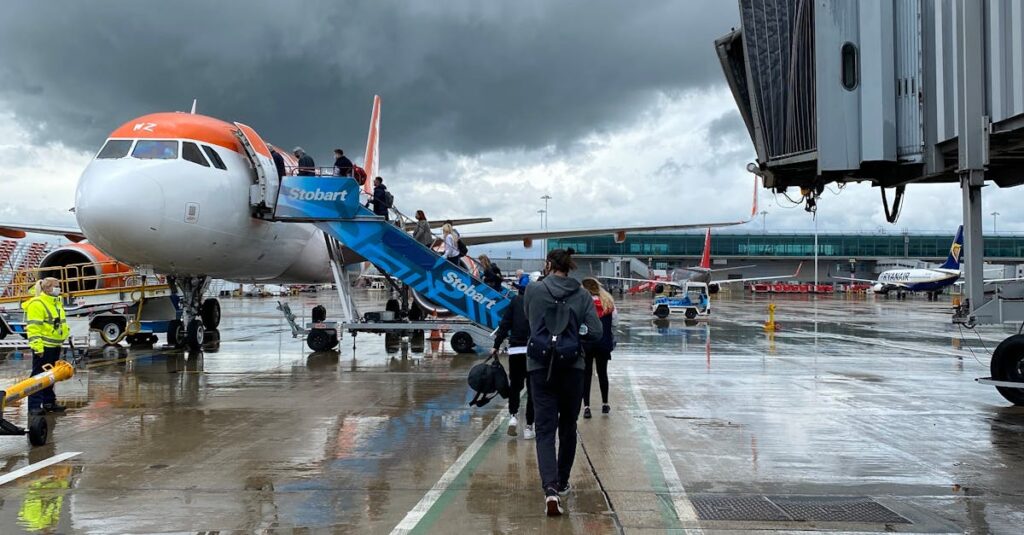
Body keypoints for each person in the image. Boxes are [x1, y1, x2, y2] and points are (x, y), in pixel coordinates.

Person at [524, 248, 602, 516]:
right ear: (570, 267)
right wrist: (574, 340)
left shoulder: (534, 291)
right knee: (568, 426)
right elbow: (596, 331)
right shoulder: (582, 295)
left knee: (544, 430)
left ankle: (551, 490)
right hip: (572, 367)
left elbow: (529, 319)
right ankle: (564, 480)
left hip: (539, 366)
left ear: (548, 265)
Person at [491, 284, 534, 439]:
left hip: (516, 349)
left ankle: (513, 416)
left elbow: (504, 325)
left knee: (515, 386)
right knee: (532, 390)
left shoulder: (515, 301)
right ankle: (529, 427)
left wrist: (496, 346)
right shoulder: (538, 301)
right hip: (533, 351)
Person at [22, 277, 69, 415]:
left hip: (55, 345)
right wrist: (38, 348)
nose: (58, 289)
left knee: (51, 375)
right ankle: (34, 406)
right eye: (56, 286)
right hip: (44, 347)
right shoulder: (37, 303)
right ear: (47, 288)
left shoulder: (55, 302)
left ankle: (49, 402)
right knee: (38, 376)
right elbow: (33, 328)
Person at [580, 277, 615, 419]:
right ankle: (605, 403)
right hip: (603, 342)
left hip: (587, 343)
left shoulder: (583, 304)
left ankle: (587, 407)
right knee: (602, 373)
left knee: (586, 375)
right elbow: (615, 324)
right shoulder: (608, 302)